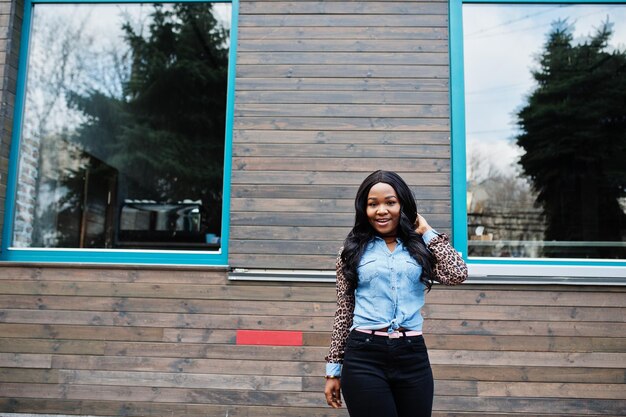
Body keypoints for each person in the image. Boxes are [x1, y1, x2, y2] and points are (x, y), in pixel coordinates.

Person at [324, 170, 468, 417]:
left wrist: (427, 232)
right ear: (364, 209)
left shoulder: (420, 248)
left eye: (390, 202)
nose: (381, 210)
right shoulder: (350, 252)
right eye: (373, 204)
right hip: (364, 357)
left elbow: (457, 273)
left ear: (403, 204)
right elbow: (344, 311)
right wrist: (333, 369)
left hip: (412, 356)